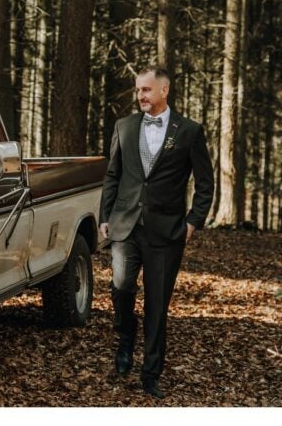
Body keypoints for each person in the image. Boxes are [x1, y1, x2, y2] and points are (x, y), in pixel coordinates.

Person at [99, 65, 214, 400]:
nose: (141, 96)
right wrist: (106, 215)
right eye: (138, 90)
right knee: (121, 289)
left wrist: (194, 221)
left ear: (164, 91)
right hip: (125, 226)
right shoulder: (124, 126)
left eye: (146, 90)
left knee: (157, 304)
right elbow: (113, 175)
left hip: (167, 232)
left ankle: (150, 374)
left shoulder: (189, 131)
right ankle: (124, 336)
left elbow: (205, 183)